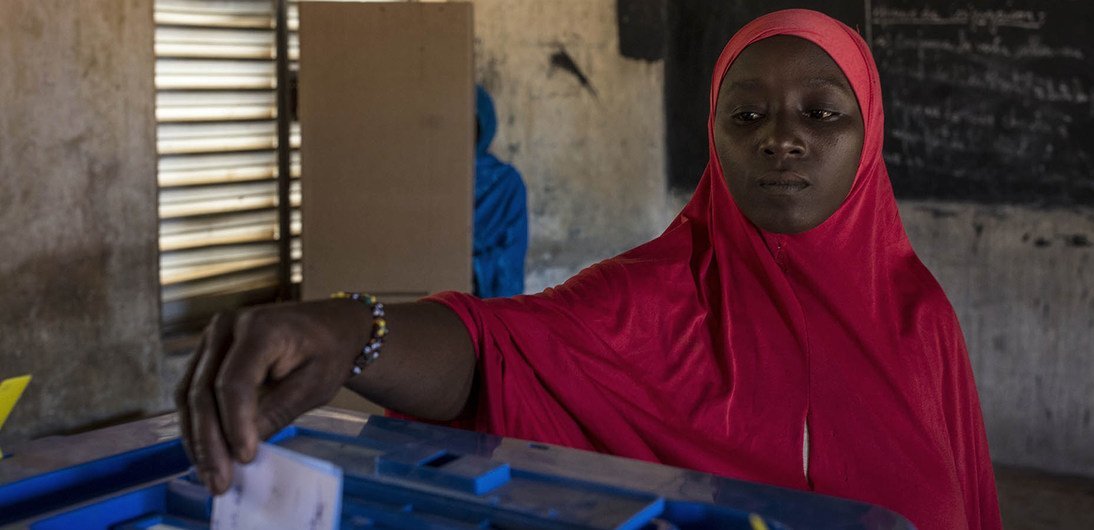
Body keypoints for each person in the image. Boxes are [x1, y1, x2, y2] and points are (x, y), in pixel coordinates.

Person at [175, 9, 1002, 529]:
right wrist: (352, 329)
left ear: (869, 140)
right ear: (713, 138)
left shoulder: (917, 315)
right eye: (745, 114)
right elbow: (499, 352)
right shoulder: (649, 298)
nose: (780, 139)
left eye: (822, 114)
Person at [473, 85, 528, 298]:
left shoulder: (506, 184)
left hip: (485, 310)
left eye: (470, 126)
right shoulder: (427, 184)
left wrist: (472, 269)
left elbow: (511, 259)